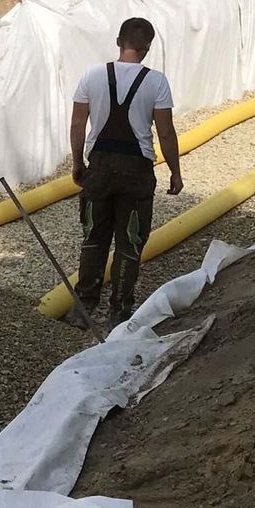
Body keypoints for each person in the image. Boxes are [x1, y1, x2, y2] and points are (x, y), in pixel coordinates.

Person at [69, 17, 182, 330]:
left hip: (100, 168)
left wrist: (78, 163)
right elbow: (166, 132)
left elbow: (78, 124)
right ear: (146, 48)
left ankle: (84, 307)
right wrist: (175, 171)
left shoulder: (92, 75)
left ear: (118, 41)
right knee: (129, 241)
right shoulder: (156, 82)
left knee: (94, 238)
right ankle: (120, 311)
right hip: (136, 172)